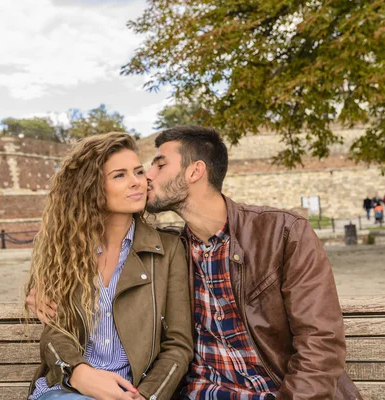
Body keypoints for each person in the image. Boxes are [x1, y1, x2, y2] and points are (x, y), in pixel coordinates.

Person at [28, 126, 362, 399]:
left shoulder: (281, 231)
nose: (145, 179)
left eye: (156, 166)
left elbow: (320, 342)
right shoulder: (173, 247)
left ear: (194, 171)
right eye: (130, 173)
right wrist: (39, 289)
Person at [25, 132, 193, 400]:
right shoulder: (63, 251)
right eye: (120, 175)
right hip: (69, 388)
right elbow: (55, 331)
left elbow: (178, 346)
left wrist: (146, 396)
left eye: (138, 171)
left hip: (134, 390)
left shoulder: (169, 250)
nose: (137, 182)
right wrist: (78, 372)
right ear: (90, 187)